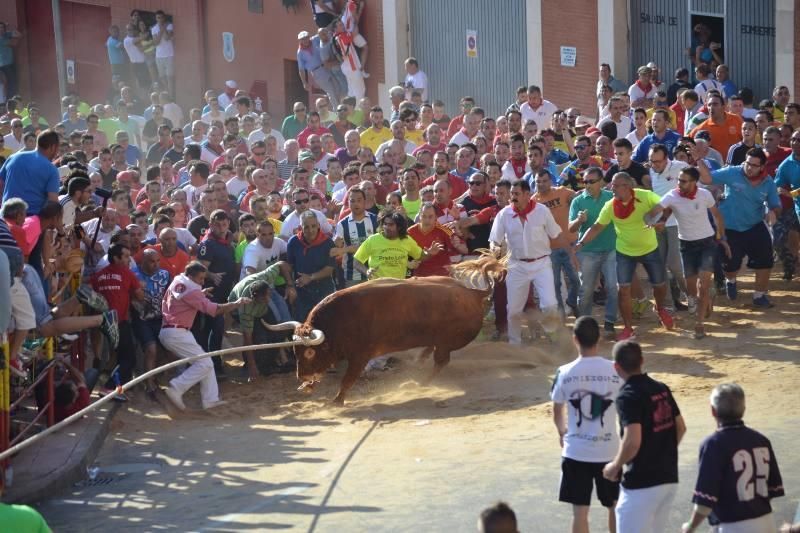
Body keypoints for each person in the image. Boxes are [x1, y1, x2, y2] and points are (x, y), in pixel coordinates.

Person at [575, 172, 674, 340]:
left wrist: (662, 221)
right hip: (625, 252)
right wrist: (581, 243)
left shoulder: (645, 196)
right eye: (611, 184)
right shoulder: (610, 205)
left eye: (615, 185)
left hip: (650, 249)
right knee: (623, 290)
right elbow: (597, 227)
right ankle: (628, 328)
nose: (611, 187)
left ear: (627, 187)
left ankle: (659, 308)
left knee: (659, 285)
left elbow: (668, 206)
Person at [602, 340, 686, 533]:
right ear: (642, 360)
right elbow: (680, 428)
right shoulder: (661, 388)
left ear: (616, 367)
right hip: (668, 478)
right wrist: (662, 451)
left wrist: (615, 466)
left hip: (641, 484)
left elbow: (633, 440)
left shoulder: (627, 396)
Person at [681, 383, 784, 533]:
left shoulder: (713, 444)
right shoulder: (761, 440)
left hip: (732, 525)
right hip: (766, 523)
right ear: (743, 409)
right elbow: (772, 488)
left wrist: (690, 527)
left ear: (713, 411)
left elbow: (705, 501)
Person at [551, 317, 622, 533]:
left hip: (576, 451)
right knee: (614, 507)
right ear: (599, 338)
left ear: (575, 339)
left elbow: (557, 411)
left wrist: (562, 432)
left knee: (580, 512)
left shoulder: (564, 372)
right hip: (609, 450)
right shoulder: (615, 370)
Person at [647, 167, 727, 339]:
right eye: (678, 180)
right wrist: (651, 220)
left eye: (683, 181)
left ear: (694, 182)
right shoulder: (672, 195)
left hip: (707, 243)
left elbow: (718, 216)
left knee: (703, 285)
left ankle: (699, 324)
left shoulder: (705, 194)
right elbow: (656, 210)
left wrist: (721, 238)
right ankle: (701, 300)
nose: (679, 184)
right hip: (687, 245)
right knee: (691, 288)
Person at [696, 147, 781, 308]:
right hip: (728, 228)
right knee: (730, 265)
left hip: (754, 226)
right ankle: (731, 280)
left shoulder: (768, 182)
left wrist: (773, 212)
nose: (749, 167)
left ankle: (759, 296)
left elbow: (776, 205)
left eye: (754, 165)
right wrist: (699, 160)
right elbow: (707, 179)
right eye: (747, 163)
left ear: (762, 167)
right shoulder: (732, 172)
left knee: (765, 260)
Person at [160, 261, 251, 411]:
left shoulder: (179, 280)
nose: (202, 282)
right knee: (205, 363)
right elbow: (215, 310)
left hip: (173, 331)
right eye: (200, 279)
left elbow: (182, 299)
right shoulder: (192, 290)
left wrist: (200, 294)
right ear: (190, 276)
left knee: (205, 362)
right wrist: (237, 303)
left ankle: (211, 400)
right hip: (177, 333)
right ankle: (177, 387)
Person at [489, 179, 565, 344]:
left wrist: (571, 251)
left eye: (516, 194)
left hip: (542, 263)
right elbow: (494, 239)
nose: (512, 197)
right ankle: (514, 342)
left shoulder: (542, 211)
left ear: (527, 195)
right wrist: (494, 248)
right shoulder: (504, 214)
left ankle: (551, 333)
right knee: (514, 309)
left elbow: (555, 233)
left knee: (549, 304)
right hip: (516, 265)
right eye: (512, 194)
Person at [91, 243, 144, 398]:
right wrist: (138, 288)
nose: (130, 260)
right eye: (126, 256)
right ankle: (110, 388)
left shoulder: (99, 275)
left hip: (100, 321)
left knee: (122, 357)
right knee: (128, 358)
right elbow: (140, 296)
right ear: (116, 258)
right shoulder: (127, 274)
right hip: (118, 322)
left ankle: (118, 389)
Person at [569, 167, 618, 338]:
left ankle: (610, 323)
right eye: (585, 181)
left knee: (613, 286)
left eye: (591, 181)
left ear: (601, 182)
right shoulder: (578, 201)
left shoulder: (611, 198)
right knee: (586, 290)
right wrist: (578, 220)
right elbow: (571, 228)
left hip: (611, 249)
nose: (587, 185)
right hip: (587, 251)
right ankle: (584, 326)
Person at [229, 260, 295, 381]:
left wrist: (290, 285)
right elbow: (247, 339)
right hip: (237, 308)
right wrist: (252, 367)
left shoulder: (266, 277)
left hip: (261, 306)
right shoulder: (245, 308)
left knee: (279, 329)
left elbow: (281, 264)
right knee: (258, 336)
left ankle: (273, 362)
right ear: (255, 297)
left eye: (267, 296)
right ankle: (252, 366)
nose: (266, 299)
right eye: (262, 298)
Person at [533, 169, 579, 317]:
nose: (541, 184)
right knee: (555, 285)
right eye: (538, 182)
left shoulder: (562, 192)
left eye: (544, 181)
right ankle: (561, 316)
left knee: (576, 280)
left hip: (570, 244)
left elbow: (578, 198)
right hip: (549, 249)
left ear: (550, 181)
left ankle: (572, 302)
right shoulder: (533, 201)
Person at [131, 248, 170, 395]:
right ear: (143, 262)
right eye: (152, 262)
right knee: (151, 349)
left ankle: (153, 375)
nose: (156, 264)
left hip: (160, 317)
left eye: (158, 261)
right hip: (141, 319)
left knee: (168, 349)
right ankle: (150, 385)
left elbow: (171, 295)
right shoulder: (134, 275)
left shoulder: (165, 275)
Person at [286, 210, 336, 321]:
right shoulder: (293, 242)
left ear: (318, 225)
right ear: (300, 227)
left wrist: (310, 277)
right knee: (304, 327)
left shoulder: (328, 243)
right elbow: (289, 266)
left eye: (313, 226)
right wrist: (290, 286)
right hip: (302, 294)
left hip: (324, 291)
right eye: (306, 227)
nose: (311, 230)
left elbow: (329, 269)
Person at [0, 130, 60, 214]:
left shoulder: (13, 157)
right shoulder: (52, 169)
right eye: (58, 148)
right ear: (53, 147)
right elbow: (53, 203)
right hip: (31, 220)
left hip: (5, 217)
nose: (57, 152)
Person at [332, 187, 377, 287]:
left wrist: (349, 249)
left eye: (359, 200)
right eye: (352, 201)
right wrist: (337, 244)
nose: (356, 203)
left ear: (365, 201)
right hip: (352, 275)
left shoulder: (375, 220)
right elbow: (336, 249)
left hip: (374, 272)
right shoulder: (342, 224)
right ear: (348, 203)